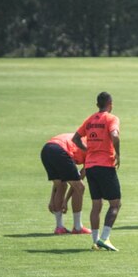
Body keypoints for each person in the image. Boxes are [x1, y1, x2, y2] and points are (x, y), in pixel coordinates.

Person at [73, 92, 121, 251]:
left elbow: (75, 138)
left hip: (90, 166)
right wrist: (118, 153)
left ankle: (95, 241)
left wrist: (88, 150)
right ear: (110, 104)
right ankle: (105, 238)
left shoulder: (90, 120)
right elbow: (115, 135)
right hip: (105, 165)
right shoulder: (111, 118)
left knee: (96, 204)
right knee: (115, 204)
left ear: (97, 105)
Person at [40, 133, 89, 235]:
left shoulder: (86, 139)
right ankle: (77, 227)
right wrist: (65, 201)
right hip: (60, 150)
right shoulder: (94, 149)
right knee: (80, 187)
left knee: (61, 185)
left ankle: (59, 227)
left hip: (47, 149)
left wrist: (52, 199)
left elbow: (61, 183)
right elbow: (79, 182)